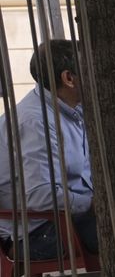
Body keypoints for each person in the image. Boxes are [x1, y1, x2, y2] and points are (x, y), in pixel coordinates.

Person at [0, 40, 95, 257]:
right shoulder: (36, 122)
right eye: (91, 70)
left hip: (68, 219)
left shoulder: (72, 111)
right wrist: (93, 204)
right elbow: (40, 196)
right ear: (69, 78)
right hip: (38, 232)